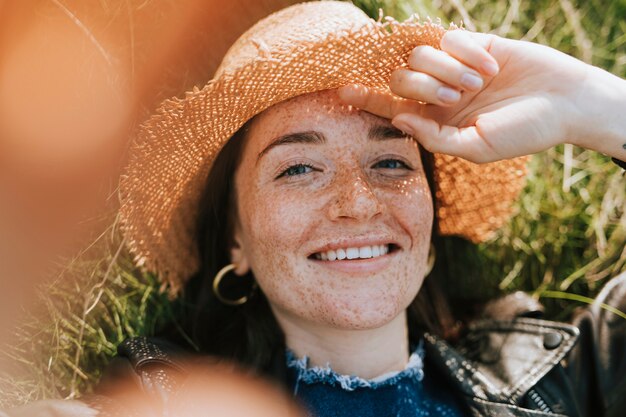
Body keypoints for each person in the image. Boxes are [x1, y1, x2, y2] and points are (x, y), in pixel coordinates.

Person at [4, 1, 625, 416]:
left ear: (430, 226)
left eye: (391, 163)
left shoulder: (570, 368)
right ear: (235, 241)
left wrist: (592, 105)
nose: (358, 204)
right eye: (298, 168)